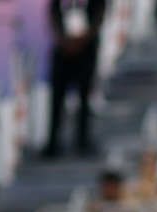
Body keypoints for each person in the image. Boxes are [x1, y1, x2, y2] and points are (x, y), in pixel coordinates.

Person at [42, 0, 105, 157]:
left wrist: (83, 40)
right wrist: (64, 41)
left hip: (86, 50)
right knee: (57, 98)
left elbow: (99, 14)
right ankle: (53, 141)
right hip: (63, 51)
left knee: (84, 97)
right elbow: (53, 15)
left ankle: (82, 140)